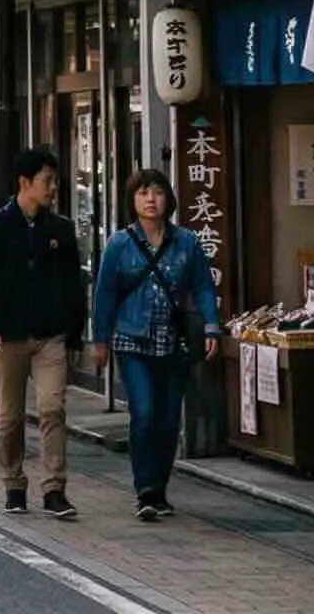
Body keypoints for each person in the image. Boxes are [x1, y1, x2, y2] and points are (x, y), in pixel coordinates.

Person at [91, 167, 222, 521]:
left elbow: (204, 287)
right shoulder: (120, 243)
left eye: (157, 192)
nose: (151, 199)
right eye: (143, 193)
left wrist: (212, 327)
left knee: (167, 420)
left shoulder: (187, 242)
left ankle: (160, 489)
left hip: (173, 341)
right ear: (132, 200)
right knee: (145, 412)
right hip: (131, 339)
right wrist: (99, 339)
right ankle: (145, 488)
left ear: (169, 199)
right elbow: (104, 294)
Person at [0, 147, 89, 520]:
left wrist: (74, 334)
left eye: (54, 180)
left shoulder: (61, 229)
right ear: (25, 183)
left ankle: (54, 488)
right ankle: (13, 483)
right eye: (47, 181)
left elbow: (74, 285)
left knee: (52, 407)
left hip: (51, 335)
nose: (53, 187)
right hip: (8, 337)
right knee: (10, 416)